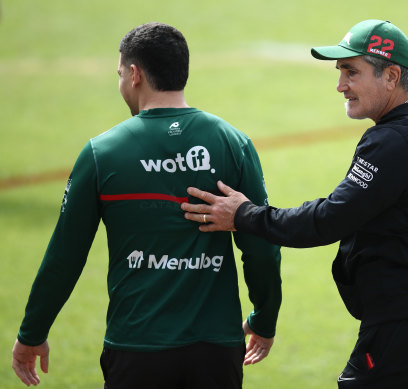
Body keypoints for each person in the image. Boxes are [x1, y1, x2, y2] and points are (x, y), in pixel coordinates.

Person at [181, 19, 408, 388]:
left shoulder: (392, 141)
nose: (341, 85)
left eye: (351, 72)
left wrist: (244, 215)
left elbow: (329, 219)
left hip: (405, 332)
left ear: (391, 75)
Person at [12, 22, 282, 389]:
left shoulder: (101, 153)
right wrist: (264, 318)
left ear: (135, 74)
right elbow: (262, 247)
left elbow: (66, 255)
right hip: (216, 348)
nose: (120, 82)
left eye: (120, 73)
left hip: (136, 346)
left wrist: (32, 332)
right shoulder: (234, 144)